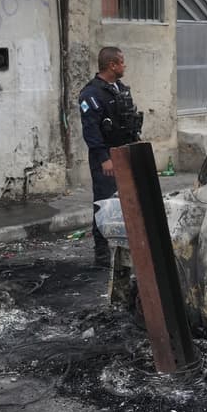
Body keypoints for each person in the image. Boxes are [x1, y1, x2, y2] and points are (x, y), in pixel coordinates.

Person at [79, 46, 143, 267]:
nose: (125, 66)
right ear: (112, 65)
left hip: (126, 152)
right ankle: (102, 254)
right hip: (107, 157)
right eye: (122, 62)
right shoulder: (91, 93)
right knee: (104, 203)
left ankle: (127, 248)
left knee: (129, 202)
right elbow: (91, 130)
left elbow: (129, 119)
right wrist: (103, 158)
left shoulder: (120, 89)